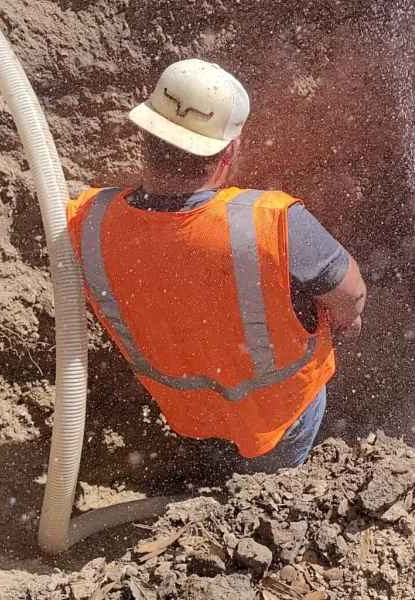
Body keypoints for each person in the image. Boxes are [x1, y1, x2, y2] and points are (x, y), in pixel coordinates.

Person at [66, 59, 367, 472]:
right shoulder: (274, 222)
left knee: (216, 458)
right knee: (269, 493)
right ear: (229, 150)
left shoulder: (86, 219)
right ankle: (265, 500)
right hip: (276, 419)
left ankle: (216, 480)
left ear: (144, 135)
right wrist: (346, 320)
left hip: (187, 412)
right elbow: (350, 293)